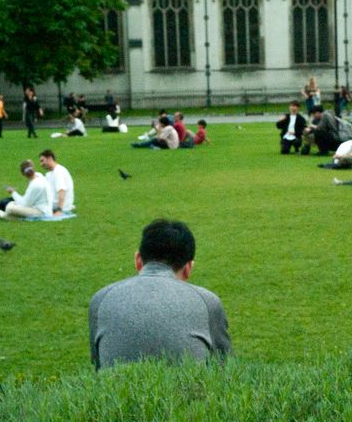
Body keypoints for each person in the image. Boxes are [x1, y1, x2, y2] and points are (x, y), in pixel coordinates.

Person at [88, 218, 232, 370]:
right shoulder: (207, 302)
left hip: (117, 392)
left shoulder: (101, 299)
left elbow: (98, 366)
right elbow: (225, 367)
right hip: (187, 392)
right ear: (188, 268)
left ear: (138, 260)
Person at [39, 149, 76, 214]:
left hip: (60, 207)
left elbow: (61, 191)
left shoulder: (58, 171)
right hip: (50, 206)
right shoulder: (49, 174)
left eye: (42, 161)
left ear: (50, 158)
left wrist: (59, 210)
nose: (41, 164)